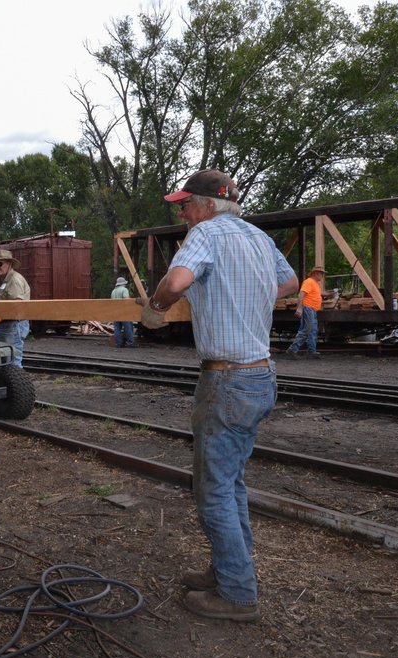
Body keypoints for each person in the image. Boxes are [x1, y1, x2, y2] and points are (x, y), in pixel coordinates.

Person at [140, 169, 298, 622]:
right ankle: (229, 569)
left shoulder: (205, 233)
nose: (182, 213)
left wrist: (155, 309)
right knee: (231, 482)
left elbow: (174, 283)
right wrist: (245, 298)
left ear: (208, 205)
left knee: (211, 491)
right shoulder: (257, 236)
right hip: (261, 375)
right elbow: (288, 283)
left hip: (227, 380)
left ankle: (237, 593)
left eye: (185, 204)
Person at [0, 249, 31, 367]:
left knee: (13, 361)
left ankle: (18, 385)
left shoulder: (14, 280)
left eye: (0, 263)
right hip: (5, 325)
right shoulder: (0, 281)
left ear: (9, 264)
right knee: (5, 359)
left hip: (13, 324)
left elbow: (17, 305)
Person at [285, 266, 326, 359]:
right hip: (308, 309)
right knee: (306, 330)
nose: (322, 276)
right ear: (316, 273)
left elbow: (318, 294)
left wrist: (330, 294)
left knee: (312, 331)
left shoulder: (315, 283)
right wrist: (299, 308)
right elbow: (301, 294)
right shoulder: (309, 282)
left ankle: (312, 351)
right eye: (321, 273)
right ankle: (292, 350)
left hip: (313, 310)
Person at [110, 276, 136, 348]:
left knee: (117, 328)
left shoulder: (113, 291)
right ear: (123, 284)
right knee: (128, 327)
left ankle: (119, 343)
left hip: (115, 312)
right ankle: (131, 343)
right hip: (124, 312)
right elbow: (126, 300)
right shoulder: (124, 290)